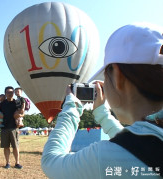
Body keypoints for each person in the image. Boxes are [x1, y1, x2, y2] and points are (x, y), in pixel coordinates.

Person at [41, 23, 163, 178]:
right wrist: (103, 115)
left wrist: (71, 107)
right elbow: (137, 147)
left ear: (118, 76)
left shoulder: (103, 158)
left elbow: (51, 162)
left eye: (105, 77)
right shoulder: (148, 141)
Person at [0, 86, 23, 169]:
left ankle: (17, 163)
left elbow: (22, 111)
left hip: (14, 127)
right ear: (5, 94)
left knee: (15, 146)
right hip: (4, 128)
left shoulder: (17, 102)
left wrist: (20, 115)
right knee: (6, 146)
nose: (10, 94)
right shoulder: (2, 104)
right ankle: (7, 163)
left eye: (11, 92)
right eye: (8, 92)